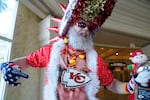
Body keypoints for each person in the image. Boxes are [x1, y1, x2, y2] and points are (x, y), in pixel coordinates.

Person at [0, 0, 137, 100]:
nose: (86, 30)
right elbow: (27, 61)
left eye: (90, 28)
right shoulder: (52, 52)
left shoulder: (95, 60)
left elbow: (111, 84)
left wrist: (130, 86)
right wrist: (7, 66)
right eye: (82, 24)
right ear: (70, 26)